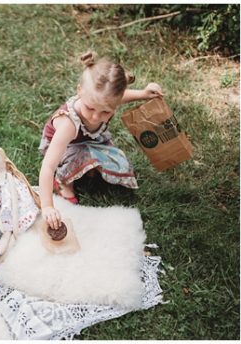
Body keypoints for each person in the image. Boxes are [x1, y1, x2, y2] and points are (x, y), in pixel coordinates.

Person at [38, 51, 163, 228]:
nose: (96, 117)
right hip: (65, 148)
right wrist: (47, 206)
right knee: (79, 158)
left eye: (106, 112)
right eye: (90, 108)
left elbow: (122, 97)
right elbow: (47, 166)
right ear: (79, 91)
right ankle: (64, 182)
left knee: (120, 163)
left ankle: (88, 168)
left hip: (93, 140)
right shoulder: (68, 125)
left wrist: (143, 93)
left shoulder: (106, 100)